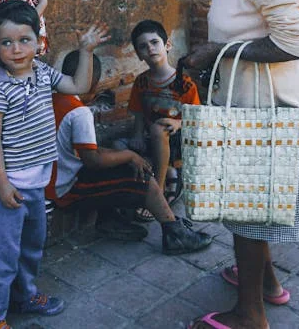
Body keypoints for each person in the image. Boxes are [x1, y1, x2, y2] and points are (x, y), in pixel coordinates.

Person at [121, 0, 299, 328]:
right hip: (245, 103)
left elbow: (297, 43)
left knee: (248, 207)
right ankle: (264, 283)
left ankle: (251, 314)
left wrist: (218, 50)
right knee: (251, 205)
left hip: (267, 108)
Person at [0, 0, 109, 329]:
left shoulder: (43, 73)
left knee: (32, 245)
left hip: (38, 182)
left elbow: (78, 86)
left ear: (39, 42)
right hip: (11, 185)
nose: (17, 49)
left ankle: (25, 295)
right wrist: (3, 185)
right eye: (6, 42)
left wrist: (86, 51)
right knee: (2, 255)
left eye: (25, 40)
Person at [47, 50, 213, 254]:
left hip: (50, 181)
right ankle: (175, 234)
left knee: (118, 162)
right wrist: (131, 156)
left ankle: (109, 220)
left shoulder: (50, 99)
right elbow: (93, 160)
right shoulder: (79, 112)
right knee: (142, 176)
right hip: (64, 189)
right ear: (92, 82)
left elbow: (83, 151)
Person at [119, 19, 201, 221]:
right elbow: (138, 113)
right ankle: (163, 174)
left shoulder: (185, 84)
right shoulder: (142, 82)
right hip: (152, 139)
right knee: (118, 146)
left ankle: (160, 188)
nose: (150, 48)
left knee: (158, 128)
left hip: (179, 139)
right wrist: (137, 135)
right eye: (143, 46)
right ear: (138, 55)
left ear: (167, 45)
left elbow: (198, 120)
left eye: (154, 42)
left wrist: (178, 123)